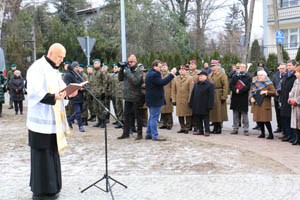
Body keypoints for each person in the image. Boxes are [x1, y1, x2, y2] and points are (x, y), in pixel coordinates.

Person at [26, 43, 77, 199]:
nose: (61, 60)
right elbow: (34, 92)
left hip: (52, 122)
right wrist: (54, 97)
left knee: (52, 153)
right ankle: (41, 190)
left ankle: (53, 186)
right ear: (50, 53)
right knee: (41, 155)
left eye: (63, 57)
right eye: (59, 57)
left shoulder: (54, 71)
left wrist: (69, 93)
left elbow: (61, 89)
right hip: (40, 121)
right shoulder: (37, 67)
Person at [145, 60, 176, 141]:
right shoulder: (154, 74)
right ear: (154, 67)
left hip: (151, 99)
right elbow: (162, 82)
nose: (161, 68)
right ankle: (155, 136)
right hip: (155, 99)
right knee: (154, 117)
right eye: (160, 67)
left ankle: (148, 134)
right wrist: (172, 74)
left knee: (151, 117)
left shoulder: (150, 73)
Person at [117, 54, 144, 140]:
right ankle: (125, 133)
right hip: (127, 97)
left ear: (135, 62)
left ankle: (139, 134)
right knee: (126, 116)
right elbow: (120, 79)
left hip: (135, 97)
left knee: (137, 116)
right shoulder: (127, 70)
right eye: (129, 62)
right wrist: (121, 70)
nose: (130, 63)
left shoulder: (139, 71)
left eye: (131, 62)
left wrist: (128, 72)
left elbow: (136, 82)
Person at [250, 70, 276, 139]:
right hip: (256, 104)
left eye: (261, 75)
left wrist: (266, 91)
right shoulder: (255, 83)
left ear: (265, 76)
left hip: (264, 104)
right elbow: (251, 92)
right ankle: (262, 133)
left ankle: (271, 134)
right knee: (258, 120)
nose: (259, 77)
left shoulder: (269, 83)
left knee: (266, 120)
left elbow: (274, 92)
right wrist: (251, 98)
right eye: (258, 75)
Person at [189, 71, 214, 136]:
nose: (200, 77)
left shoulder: (210, 85)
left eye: (201, 76)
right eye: (199, 76)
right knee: (198, 118)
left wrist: (210, 105)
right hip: (196, 104)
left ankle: (207, 131)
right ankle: (200, 131)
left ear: (206, 77)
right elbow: (192, 94)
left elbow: (211, 96)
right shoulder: (196, 84)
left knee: (206, 119)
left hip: (205, 105)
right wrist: (191, 103)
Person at [229, 63, 252, 135]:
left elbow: (248, 86)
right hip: (235, 96)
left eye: (243, 67)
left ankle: (246, 129)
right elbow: (231, 85)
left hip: (243, 97)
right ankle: (235, 128)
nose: (241, 68)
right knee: (235, 113)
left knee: (244, 113)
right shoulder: (235, 76)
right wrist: (235, 90)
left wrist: (240, 90)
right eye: (240, 67)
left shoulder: (248, 77)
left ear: (245, 68)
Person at [208, 60, 228, 134]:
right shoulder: (210, 74)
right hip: (212, 93)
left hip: (218, 94)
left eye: (214, 66)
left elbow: (225, 86)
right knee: (213, 112)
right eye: (212, 66)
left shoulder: (222, 74)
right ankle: (214, 127)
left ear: (218, 66)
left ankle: (218, 128)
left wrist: (224, 96)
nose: (212, 67)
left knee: (219, 112)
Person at [172, 65, 194, 134]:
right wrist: (174, 99)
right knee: (180, 114)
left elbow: (191, 90)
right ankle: (182, 127)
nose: (182, 71)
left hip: (186, 99)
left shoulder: (190, 78)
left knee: (188, 114)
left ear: (186, 71)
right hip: (178, 99)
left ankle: (187, 128)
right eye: (180, 70)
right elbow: (173, 90)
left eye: (183, 70)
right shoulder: (175, 79)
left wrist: (190, 100)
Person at [64, 62, 85, 132]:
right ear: (72, 67)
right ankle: (80, 126)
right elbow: (68, 86)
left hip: (80, 95)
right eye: (76, 67)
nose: (77, 68)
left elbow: (82, 82)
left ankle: (68, 120)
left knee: (81, 111)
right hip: (74, 95)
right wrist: (78, 88)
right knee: (78, 111)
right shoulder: (68, 75)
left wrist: (84, 87)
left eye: (78, 67)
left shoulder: (79, 74)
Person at [281, 60, 297, 143]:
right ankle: (288, 135)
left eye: (290, 65)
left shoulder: (295, 76)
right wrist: (281, 101)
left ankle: (294, 136)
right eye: (287, 65)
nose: (288, 67)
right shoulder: (285, 75)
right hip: (284, 100)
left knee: (292, 119)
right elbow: (282, 88)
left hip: (292, 101)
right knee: (285, 118)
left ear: (295, 66)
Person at [90, 59, 109, 128]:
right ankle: (99, 121)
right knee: (96, 108)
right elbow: (91, 83)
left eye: (96, 63)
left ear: (99, 64)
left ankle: (103, 122)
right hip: (94, 93)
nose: (95, 64)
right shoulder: (93, 72)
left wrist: (104, 92)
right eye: (94, 63)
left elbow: (105, 83)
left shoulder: (102, 72)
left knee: (101, 108)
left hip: (100, 93)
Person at [272, 63, 286, 135]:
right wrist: (275, 92)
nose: (281, 70)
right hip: (276, 97)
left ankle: (284, 129)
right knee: (277, 113)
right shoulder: (275, 76)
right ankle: (279, 127)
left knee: (283, 114)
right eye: (280, 68)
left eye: (283, 68)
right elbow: (272, 85)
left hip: (284, 98)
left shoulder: (286, 76)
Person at [159, 62, 174, 130]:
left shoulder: (170, 75)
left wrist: (172, 96)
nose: (163, 68)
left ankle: (169, 123)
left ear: (167, 67)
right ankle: (164, 123)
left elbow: (173, 86)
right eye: (162, 67)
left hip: (168, 94)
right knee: (162, 110)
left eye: (165, 66)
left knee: (168, 110)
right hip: (161, 94)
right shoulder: (159, 75)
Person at [288, 66, 300, 145]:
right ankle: (297, 138)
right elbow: (291, 92)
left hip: (298, 105)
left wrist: (297, 101)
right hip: (294, 106)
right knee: (295, 123)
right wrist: (290, 99)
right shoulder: (296, 81)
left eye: (297, 72)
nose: (295, 73)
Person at [188, 60, 201, 131]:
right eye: (190, 64)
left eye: (192, 64)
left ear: (195, 66)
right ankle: (189, 125)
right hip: (188, 93)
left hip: (196, 93)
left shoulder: (198, 72)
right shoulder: (186, 72)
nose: (191, 65)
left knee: (195, 110)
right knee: (189, 110)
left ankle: (196, 125)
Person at [111, 63, 124, 128]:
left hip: (122, 94)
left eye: (115, 67)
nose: (114, 69)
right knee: (118, 108)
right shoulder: (114, 75)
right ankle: (119, 120)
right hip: (116, 94)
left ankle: (123, 121)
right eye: (114, 67)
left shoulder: (122, 74)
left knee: (122, 108)